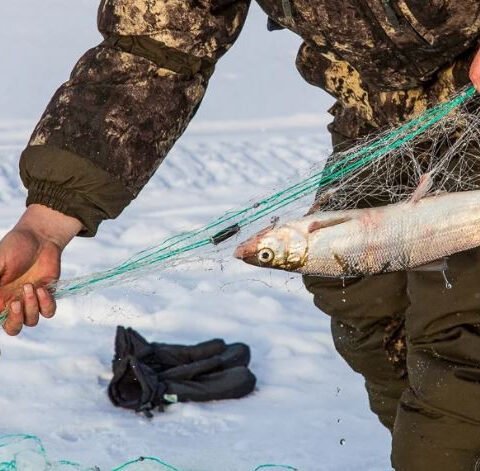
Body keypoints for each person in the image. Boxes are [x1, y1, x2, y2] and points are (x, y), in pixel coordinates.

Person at [2, 1, 480, 469]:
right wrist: (45, 224)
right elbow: (154, 45)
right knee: (364, 305)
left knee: (458, 358)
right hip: (386, 116)